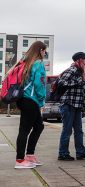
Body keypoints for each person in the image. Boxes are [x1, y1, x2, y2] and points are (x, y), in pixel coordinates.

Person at [14, 41, 47, 169]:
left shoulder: (26, 63)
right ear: (40, 51)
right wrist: (42, 100)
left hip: (23, 99)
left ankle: (29, 155)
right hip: (31, 100)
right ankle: (20, 160)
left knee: (39, 126)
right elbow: (40, 84)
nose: (45, 53)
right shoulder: (38, 64)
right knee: (24, 130)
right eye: (44, 51)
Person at [57, 52, 85, 161]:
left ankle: (81, 152)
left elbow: (81, 91)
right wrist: (77, 82)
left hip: (77, 106)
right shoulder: (71, 70)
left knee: (79, 130)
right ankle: (63, 154)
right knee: (67, 130)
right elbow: (61, 82)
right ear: (80, 60)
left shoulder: (80, 72)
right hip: (68, 104)